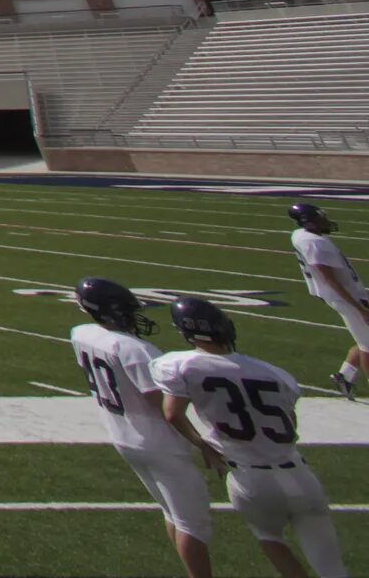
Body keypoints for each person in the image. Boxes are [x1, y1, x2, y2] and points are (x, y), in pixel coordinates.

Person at [156, 295, 349, 578]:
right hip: (300, 474)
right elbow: (290, 424)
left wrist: (203, 446)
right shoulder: (276, 374)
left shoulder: (179, 365)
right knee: (332, 567)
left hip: (249, 477)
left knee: (271, 540)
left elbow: (172, 413)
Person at [72, 276, 215, 578]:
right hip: (159, 444)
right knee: (193, 523)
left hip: (124, 436)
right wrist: (201, 441)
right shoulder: (136, 349)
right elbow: (161, 404)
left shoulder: (82, 333)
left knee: (172, 512)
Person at [288, 203, 368, 400]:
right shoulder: (314, 242)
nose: (325, 221)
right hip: (348, 297)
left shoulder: (301, 235)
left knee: (363, 337)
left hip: (352, 294)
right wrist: (359, 308)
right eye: (320, 218)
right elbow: (328, 278)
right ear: (311, 222)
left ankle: (345, 376)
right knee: (367, 344)